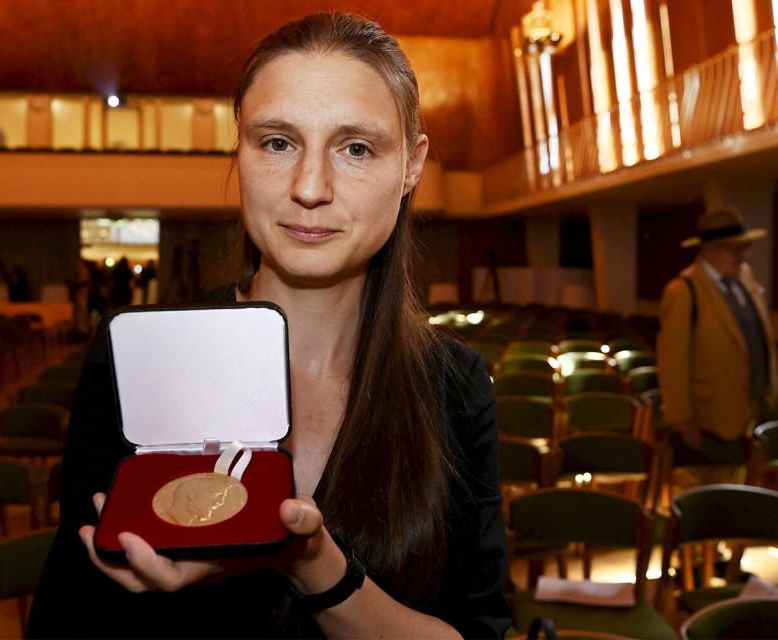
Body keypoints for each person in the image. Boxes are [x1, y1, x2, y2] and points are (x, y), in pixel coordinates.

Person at [28, 12, 509, 639]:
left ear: (412, 164)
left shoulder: (456, 385)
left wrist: (313, 566)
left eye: (356, 148)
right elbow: (67, 619)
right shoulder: (138, 355)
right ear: (241, 150)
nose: (310, 187)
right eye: (277, 142)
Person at [657, 208, 778, 452]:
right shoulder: (683, 290)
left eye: (744, 248)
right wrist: (683, 419)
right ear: (710, 251)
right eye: (734, 250)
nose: (742, 257)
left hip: (755, 411)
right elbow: (673, 362)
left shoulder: (745, 278)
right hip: (711, 420)